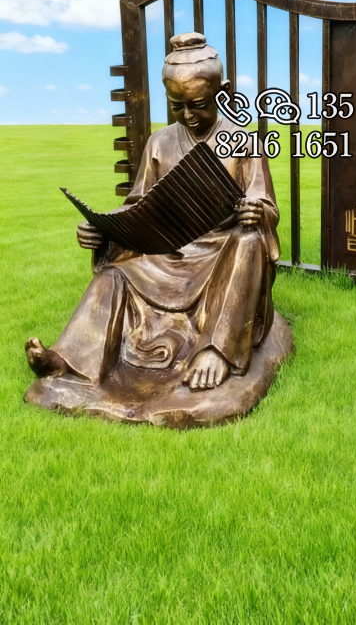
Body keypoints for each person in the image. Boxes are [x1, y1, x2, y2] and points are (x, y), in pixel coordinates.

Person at [25, 33, 279, 391]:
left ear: (223, 93)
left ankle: (217, 350)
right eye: (177, 106)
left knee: (249, 241)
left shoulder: (243, 141)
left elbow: (265, 204)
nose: (188, 115)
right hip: (166, 252)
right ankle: (70, 358)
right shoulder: (159, 142)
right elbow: (137, 206)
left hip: (220, 253)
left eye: (198, 105)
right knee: (113, 275)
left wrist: (257, 211)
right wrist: (103, 230)